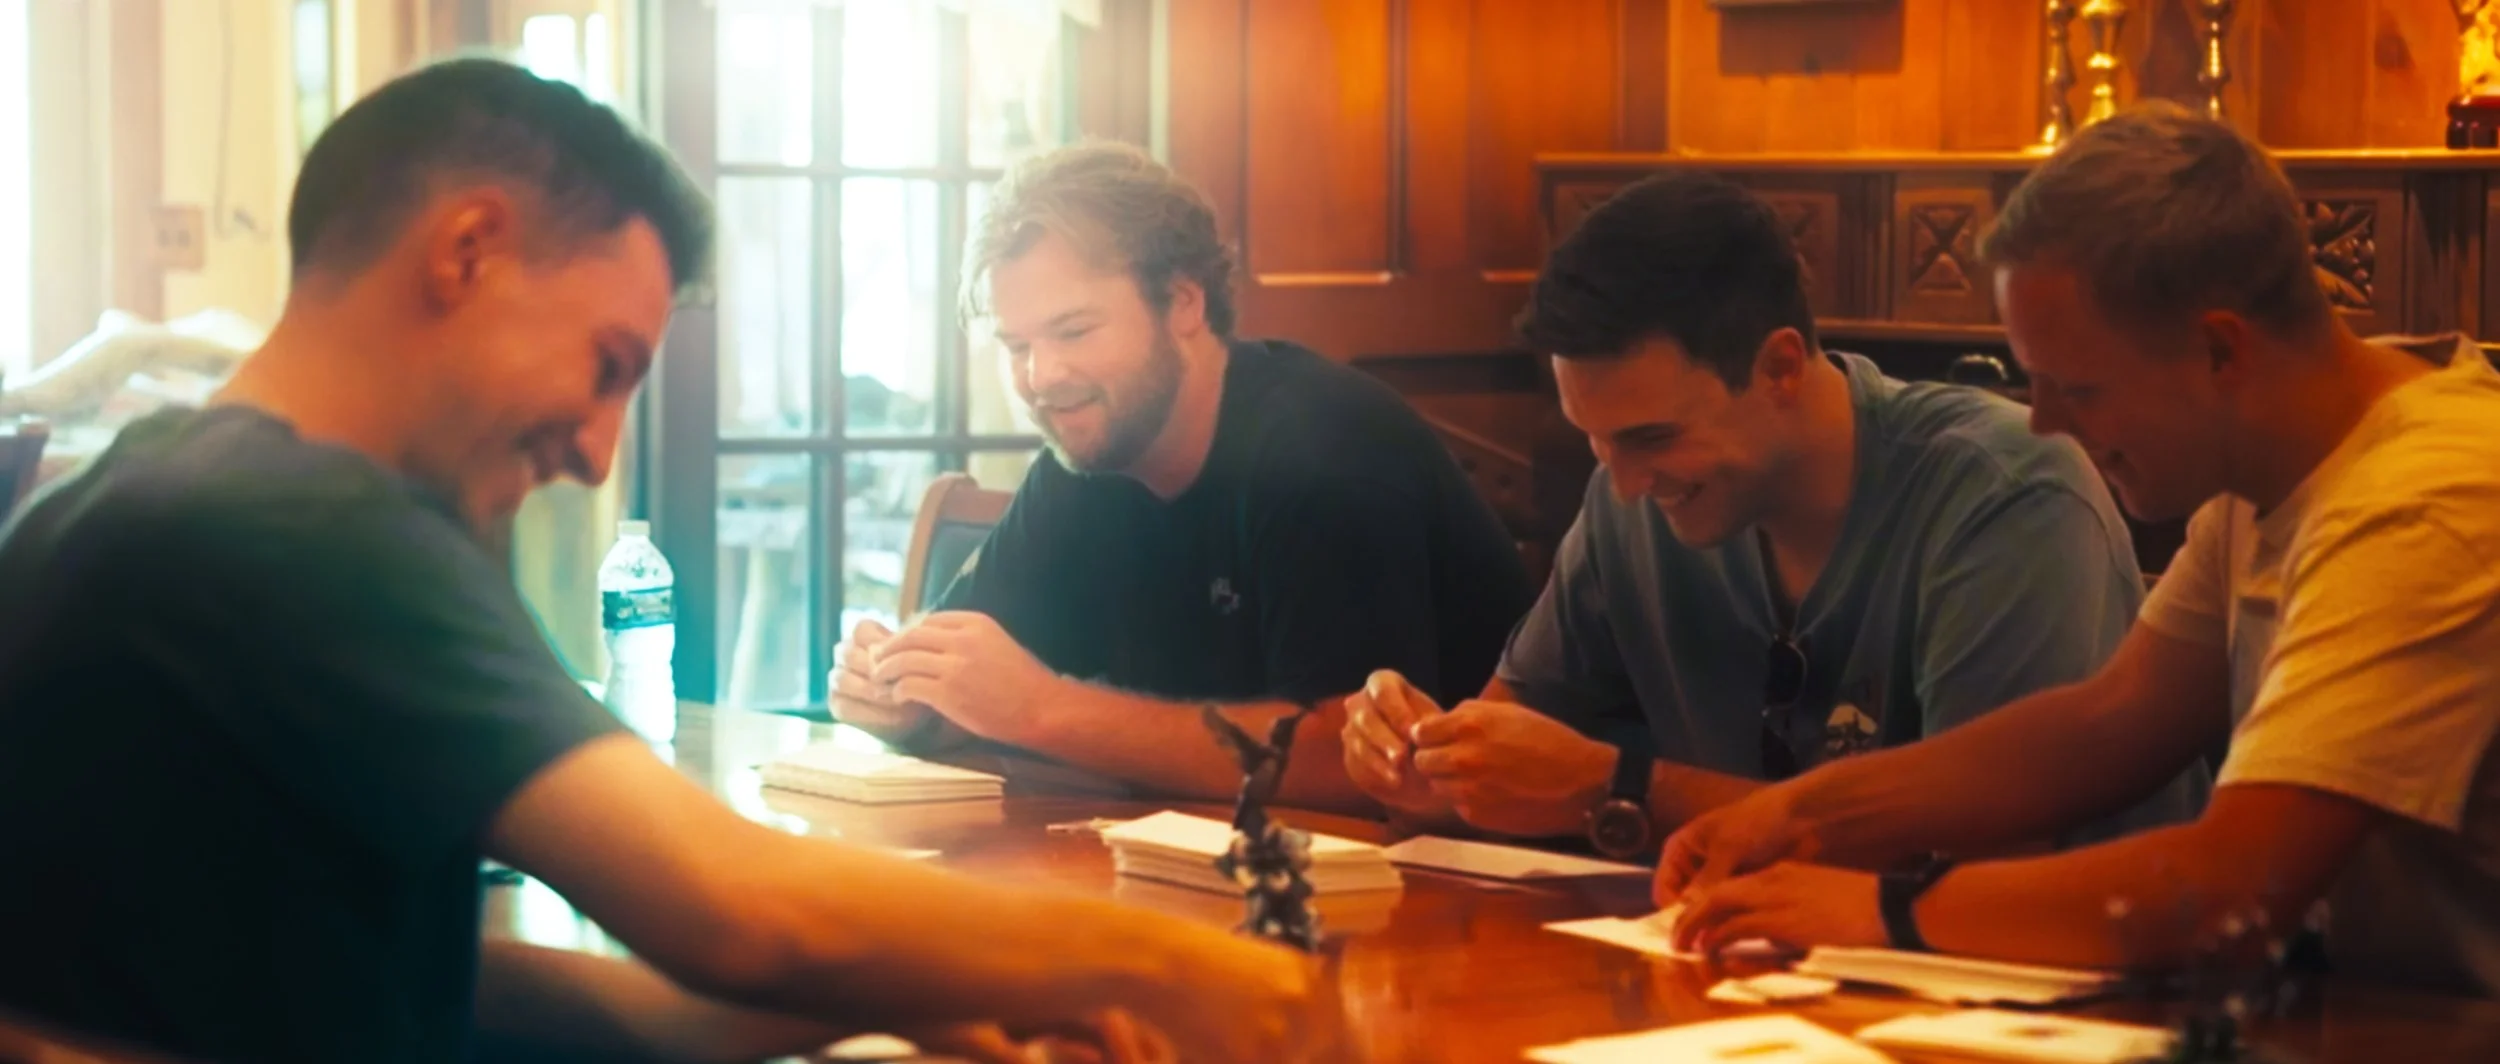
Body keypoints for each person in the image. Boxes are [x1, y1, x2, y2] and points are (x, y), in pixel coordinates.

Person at [0, 60, 1322, 1064]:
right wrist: (1153, 962)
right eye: (608, 367)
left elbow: (438, 986)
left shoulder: (141, 484)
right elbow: (738, 910)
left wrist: (936, 983)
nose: (594, 448)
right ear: (465, 252)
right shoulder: (304, 526)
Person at [1653, 103, 2500, 1000]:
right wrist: (1798, 814)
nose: (2047, 422)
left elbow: (2229, 888)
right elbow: (2108, 722)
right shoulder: (2289, 459)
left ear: (2220, 349)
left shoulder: (2422, 499)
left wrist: (1885, 913)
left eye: (2078, 387)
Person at [1341, 171, 2208, 860]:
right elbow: (1497, 761)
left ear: (1781, 367)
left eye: (1651, 436)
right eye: (1597, 442)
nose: (1628, 484)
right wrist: (1426, 766)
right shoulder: (1627, 497)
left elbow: (1982, 858)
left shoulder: (2006, 492)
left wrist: (1621, 790)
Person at [832, 141, 1536, 812]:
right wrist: (905, 698)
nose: (1041, 378)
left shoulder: (1323, 449)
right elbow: (978, 703)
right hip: (1192, 871)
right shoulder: (1081, 462)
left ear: (1184, 303)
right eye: (1016, 346)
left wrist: (1043, 709)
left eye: (1074, 332)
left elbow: (1351, 764)